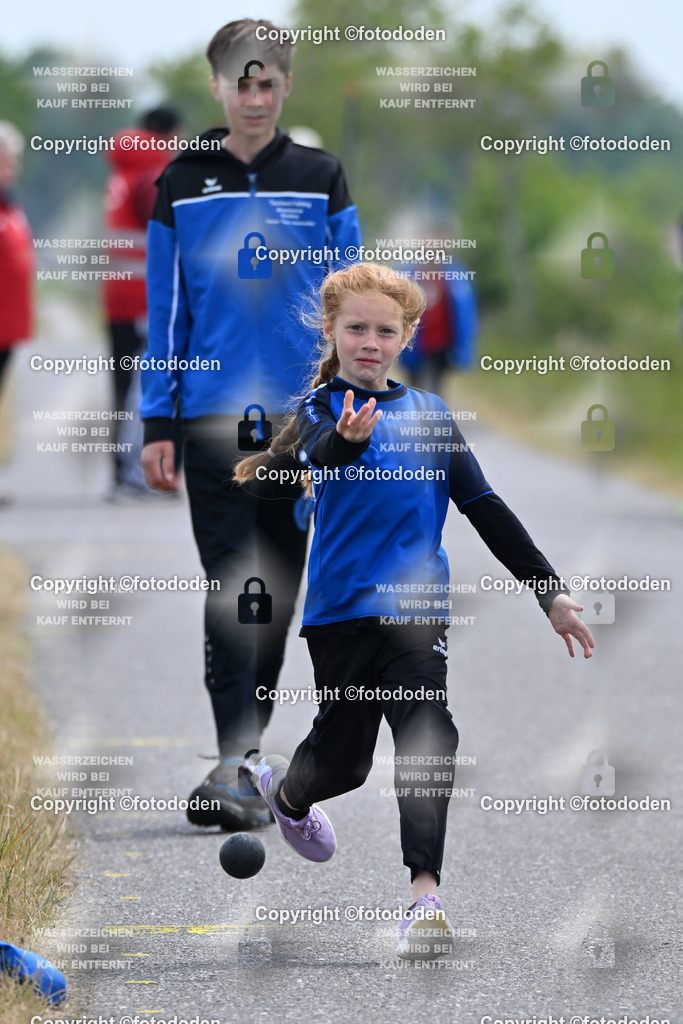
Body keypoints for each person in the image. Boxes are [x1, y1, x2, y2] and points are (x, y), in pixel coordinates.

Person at [233, 262, 595, 959]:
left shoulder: (430, 416)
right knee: (343, 766)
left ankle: (423, 898)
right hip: (339, 616)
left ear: (405, 336)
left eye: (384, 330)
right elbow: (288, 471)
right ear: (332, 332)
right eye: (355, 328)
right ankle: (291, 795)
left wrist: (548, 591)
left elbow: (484, 508)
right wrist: (345, 443)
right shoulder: (318, 411)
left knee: (430, 738)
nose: (369, 341)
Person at [139, 19, 361, 830]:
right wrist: (156, 420)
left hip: (300, 427)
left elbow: (355, 311)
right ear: (218, 87)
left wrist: (350, 408)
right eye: (241, 82)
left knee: (274, 588)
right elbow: (166, 312)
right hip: (209, 420)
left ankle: (249, 748)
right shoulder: (180, 181)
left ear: (285, 87)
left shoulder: (321, 178)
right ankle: (233, 755)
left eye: (268, 83)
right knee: (232, 583)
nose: (255, 96)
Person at [103, 107, 183, 499]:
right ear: (169, 134)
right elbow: (169, 233)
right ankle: (136, 473)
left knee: (126, 384)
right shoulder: (151, 174)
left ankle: (125, 471)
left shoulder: (123, 171)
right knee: (144, 385)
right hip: (145, 298)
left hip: (120, 295)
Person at [0, 121, 33, 410]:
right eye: (4, 161)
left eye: (12, 161)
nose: (11, 169)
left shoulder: (10, 206)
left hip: (8, 325)